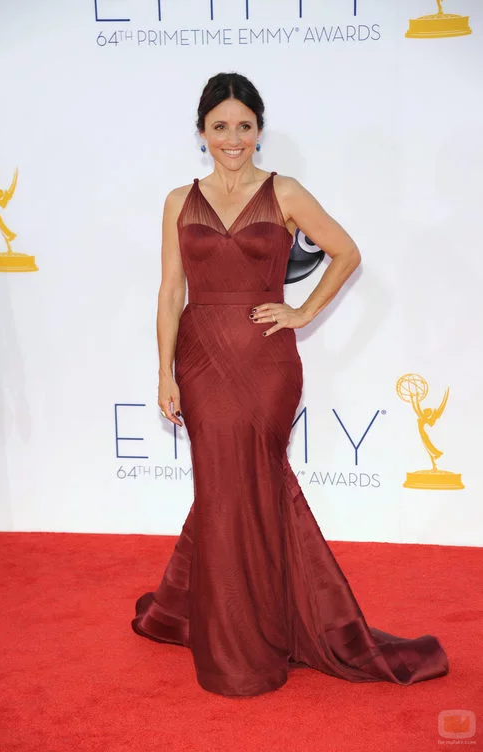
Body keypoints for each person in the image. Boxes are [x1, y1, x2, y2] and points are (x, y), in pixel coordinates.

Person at [131, 72, 449, 697]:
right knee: (224, 490)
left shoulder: (285, 192)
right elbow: (170, 292)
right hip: (200, 360)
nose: (232, 138)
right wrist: (164, 370)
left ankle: (255, 635)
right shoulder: (178, 201)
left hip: (266, 365)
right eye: (219, 126)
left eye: (244, 126)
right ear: (201, 132)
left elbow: (346, 252)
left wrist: (303, 312)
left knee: (249, 483)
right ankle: (233, 623)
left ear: (259, 130)